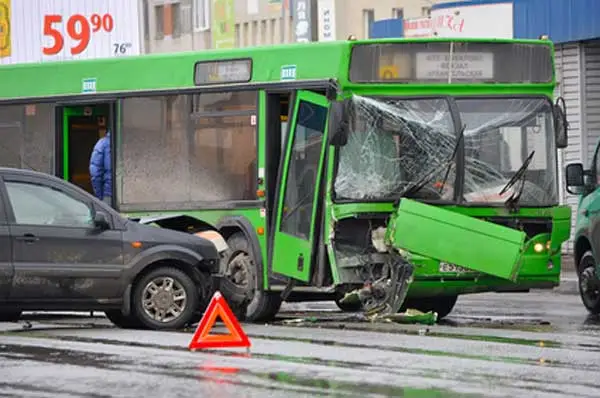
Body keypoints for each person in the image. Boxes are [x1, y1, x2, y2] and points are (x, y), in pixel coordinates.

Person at [89, 130, 112, 205]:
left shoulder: (103, 143)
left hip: (108, 193)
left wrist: (99, 196)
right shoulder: (132, 142)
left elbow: (95, 174)